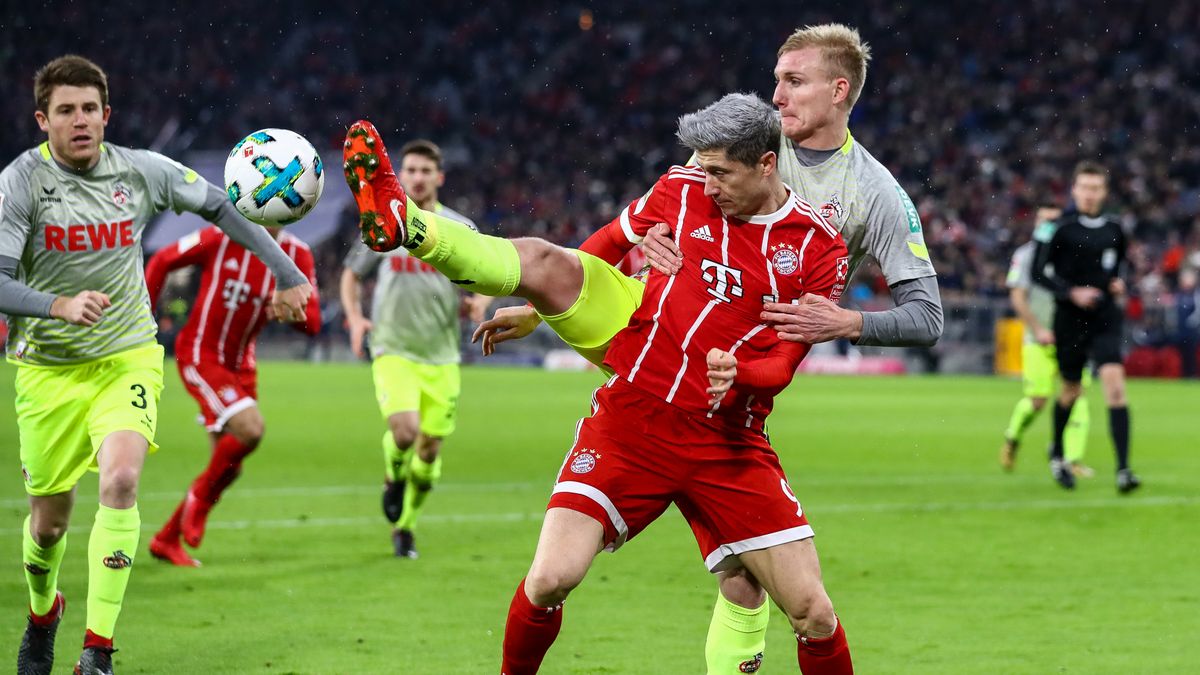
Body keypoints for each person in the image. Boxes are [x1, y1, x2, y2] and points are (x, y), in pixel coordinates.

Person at [474, 24, 942, 673]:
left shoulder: (862, 205)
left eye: (794, 80)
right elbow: (625, 232)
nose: (778, 94)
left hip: (735, 413)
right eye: (776, 78)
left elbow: (920, 318)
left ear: (840, 91)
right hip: (645, 393)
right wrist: (549, 301)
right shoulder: (710, 164)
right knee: (587, 577)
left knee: (779, 597)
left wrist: (841, 325)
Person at [344, 93, 855, 674]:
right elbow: (611, 241)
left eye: (720, 172)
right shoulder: (683, 188)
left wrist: (742, 373)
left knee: (813, 611)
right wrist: (539, 310)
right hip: (633, 402)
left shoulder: (818, 247)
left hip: (727, 441)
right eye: (702, 168)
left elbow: (784, 365)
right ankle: (406, 222)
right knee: (549, 578)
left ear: (766, 164)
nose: (706, 184)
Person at [0, 55, 311, 675]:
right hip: (47, 370)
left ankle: (99, 649)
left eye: (91, 108)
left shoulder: (141, 171)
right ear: (44, 120)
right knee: (48, 529)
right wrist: (55, 304)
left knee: (119, 482)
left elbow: (223, 207)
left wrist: (288, 272)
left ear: (106, 114)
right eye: (66, 111)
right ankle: (44, 613)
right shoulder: (20, 184)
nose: (80, 120)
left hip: (127, 357)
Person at [339, 139, 489, 558]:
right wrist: (355, 320)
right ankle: (393, 474)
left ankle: (406, 527)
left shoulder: (460, 227)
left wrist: (481, 301)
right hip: (392, 347)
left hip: (442, 355)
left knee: (430, 450)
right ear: (399, 175)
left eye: (426, 171)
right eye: (411, 170)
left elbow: (487, 275)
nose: (418, 178)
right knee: (404, 432)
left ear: (439, 178)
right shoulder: (385, 223)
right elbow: (351, 275)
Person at [144, 224, 321, 567]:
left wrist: (287, 313)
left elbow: (312, 321)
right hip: (201, 353)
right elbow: (163, 259)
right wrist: (144, 318)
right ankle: (200, 497)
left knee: (229, 466)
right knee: (250, 429)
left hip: (243, 365)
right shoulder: (220, 235)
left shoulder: (298, 254)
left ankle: (165, 539)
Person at [1032, 161, 1140, 493]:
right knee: (1071, 391)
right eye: (1085, 187)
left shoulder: (1115, 228)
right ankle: (1058, 454)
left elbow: (1121, 268)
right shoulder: (1056, 227)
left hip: (1105, 317)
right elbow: (1038, 272)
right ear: (1074, 189)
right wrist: (1071, 292)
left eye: (1096, 188)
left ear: (1104, 192)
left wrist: (1119, 284)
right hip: (1069, 319)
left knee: (1115, 387)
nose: (1090, 194)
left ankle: (1123, 470)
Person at [1000, 204, 1092, 475]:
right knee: (1038, 400)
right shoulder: (1026, 255)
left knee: (1078, 395)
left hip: (1070, 338)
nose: (1048, 226)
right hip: (1038, 339)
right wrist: (1039, 329)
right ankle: (1012, 439)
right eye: (1044, 220)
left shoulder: (1073, 252)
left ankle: (1071, 460)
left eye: (1053, 220)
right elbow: (1017, 297)